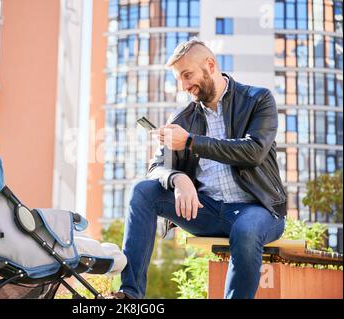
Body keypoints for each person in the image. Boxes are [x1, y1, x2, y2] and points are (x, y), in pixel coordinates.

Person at [109, 38, 287, 299]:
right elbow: (156, 167)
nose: (184, 85)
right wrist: (177, 178)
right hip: (208, 211)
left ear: (210, 65)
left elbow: (253, 151)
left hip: (259, 209)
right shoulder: (182, 119)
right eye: (179, 79)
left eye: (187, 75)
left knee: (246, 231)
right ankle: (129, 294)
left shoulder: (257, 99)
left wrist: (191, 142)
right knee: (143, 192)